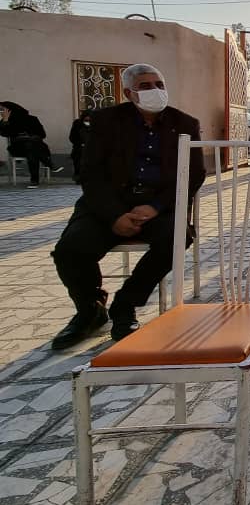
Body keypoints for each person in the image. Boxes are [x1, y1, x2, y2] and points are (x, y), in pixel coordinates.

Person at [49, 64, 205, 348]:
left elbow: (194, 174)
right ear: (128, 93)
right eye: (145, 86)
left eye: (159, 84)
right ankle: (90, 309)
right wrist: (115, 215)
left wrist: (155, 207)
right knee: (70, 250)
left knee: (176, 237)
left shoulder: (184, 124)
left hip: (157, 206)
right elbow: (91, 173)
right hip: (109, 205)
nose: (155, 90)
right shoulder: (106, 121)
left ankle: (126, 303)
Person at [0, 101, 61, 188]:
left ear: (11, 110)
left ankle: (34, 181)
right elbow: (4, 134)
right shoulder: (6, 121)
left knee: (31, 148)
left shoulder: (32, 119)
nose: (1, 112)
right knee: (32, 148)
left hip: (34, 145)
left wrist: (30, 137)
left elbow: (42, 134)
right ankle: (49, 164)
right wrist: (5, 121)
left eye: (3, 110)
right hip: (18, 148)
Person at [69, 109, 94, 182]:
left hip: (91, 148)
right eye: (86, 117)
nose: (88, 119)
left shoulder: (96, 123)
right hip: (79, 148)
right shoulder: (77, 124)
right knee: (78, 162)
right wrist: (80, 143)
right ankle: (79, 177)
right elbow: (72, 137)